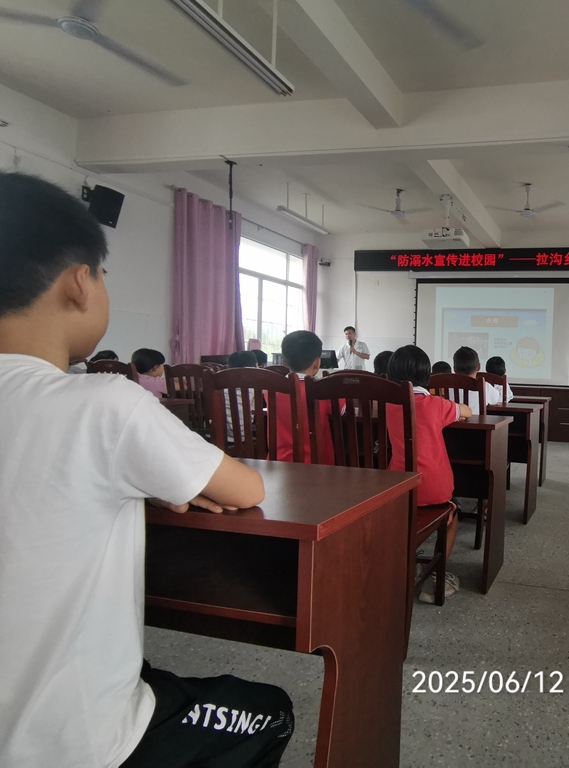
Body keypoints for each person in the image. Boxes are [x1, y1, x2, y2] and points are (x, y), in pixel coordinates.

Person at [0, 172, 293, 766]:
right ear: (80, 283)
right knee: (271, 710)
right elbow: (247, 488)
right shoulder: (103, 403)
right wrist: (160, 477)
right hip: (72, 743)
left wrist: (144, 477)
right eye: (104, 274)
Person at [386, 346, 471, 603]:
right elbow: (465, 411)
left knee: (403, 517)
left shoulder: (388, 404)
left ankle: (401, 565)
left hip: (395, 488)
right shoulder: (436, 404)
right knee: (452, 519)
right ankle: (435, 578)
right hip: (434, 489)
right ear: (427, 375)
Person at [277, 330, 335, 464]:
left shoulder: (270, 391)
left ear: (284, 363)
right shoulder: (326, 391)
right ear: (317, 363)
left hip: (278, 464)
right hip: (318, 466)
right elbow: (344, 409)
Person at [453, 346, 503, 415]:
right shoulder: (485, 386)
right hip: (478, 422)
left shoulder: (447, 387)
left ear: (454, 369)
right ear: (479, 367)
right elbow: (495, 400)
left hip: (453, 422)